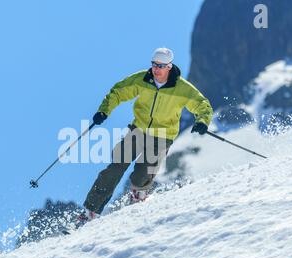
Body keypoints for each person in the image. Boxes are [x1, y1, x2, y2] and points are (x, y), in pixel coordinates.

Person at [78, 48, 213, 224]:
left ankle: (137, 200)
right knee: (115, 168)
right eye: (154, 64)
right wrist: (104, 111)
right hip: (138, 130)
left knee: (142, 174)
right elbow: (118, 91)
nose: (156, 69)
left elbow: (202, 104)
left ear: (169, 67)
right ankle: (90, 212)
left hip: (162, 135)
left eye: (161, 66)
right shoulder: (143, 79)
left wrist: (202, 121)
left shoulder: (182, 89)